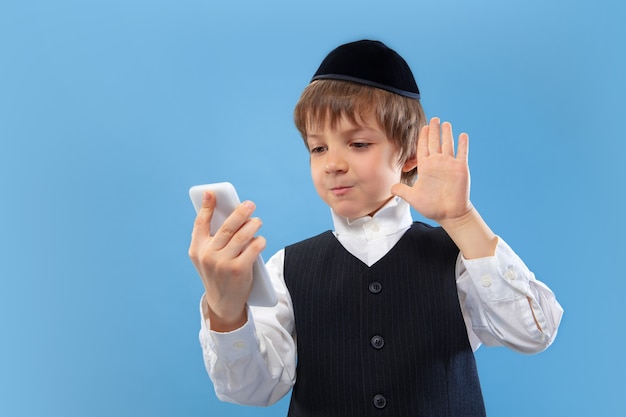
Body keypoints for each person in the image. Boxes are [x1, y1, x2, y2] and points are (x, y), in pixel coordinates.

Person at [188, 40, 563, 416]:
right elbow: (253, 389)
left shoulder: (460, 258)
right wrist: (226, 311)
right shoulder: (287, 268)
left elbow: (535, 331)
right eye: (318, 148)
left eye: (358, 143)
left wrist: (461, 220)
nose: (333, 164)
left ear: (409, 154)